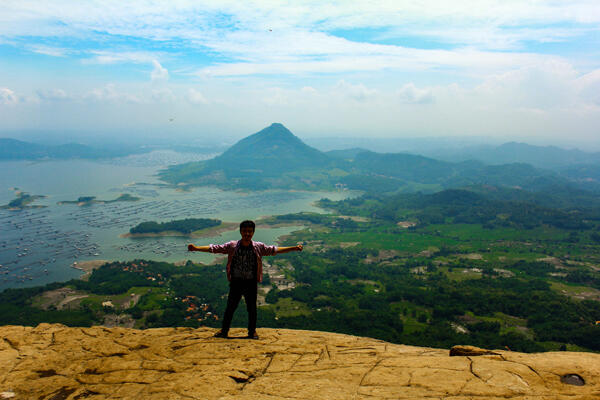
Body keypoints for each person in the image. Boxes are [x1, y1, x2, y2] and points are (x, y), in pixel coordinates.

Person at [187, 220, 302, 339]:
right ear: (240, 232)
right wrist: (196, 248)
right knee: (230, 308)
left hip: (251, 282)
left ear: (253, 232)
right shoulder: (232, 246)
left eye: (249, 231)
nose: (247, 234)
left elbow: (275, 250)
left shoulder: (258, 247)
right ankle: (224, 331)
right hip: (236, 282)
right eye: (245, 231)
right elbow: (214, 248)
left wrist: (294, 248)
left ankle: (252, 332)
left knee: (252, 308)